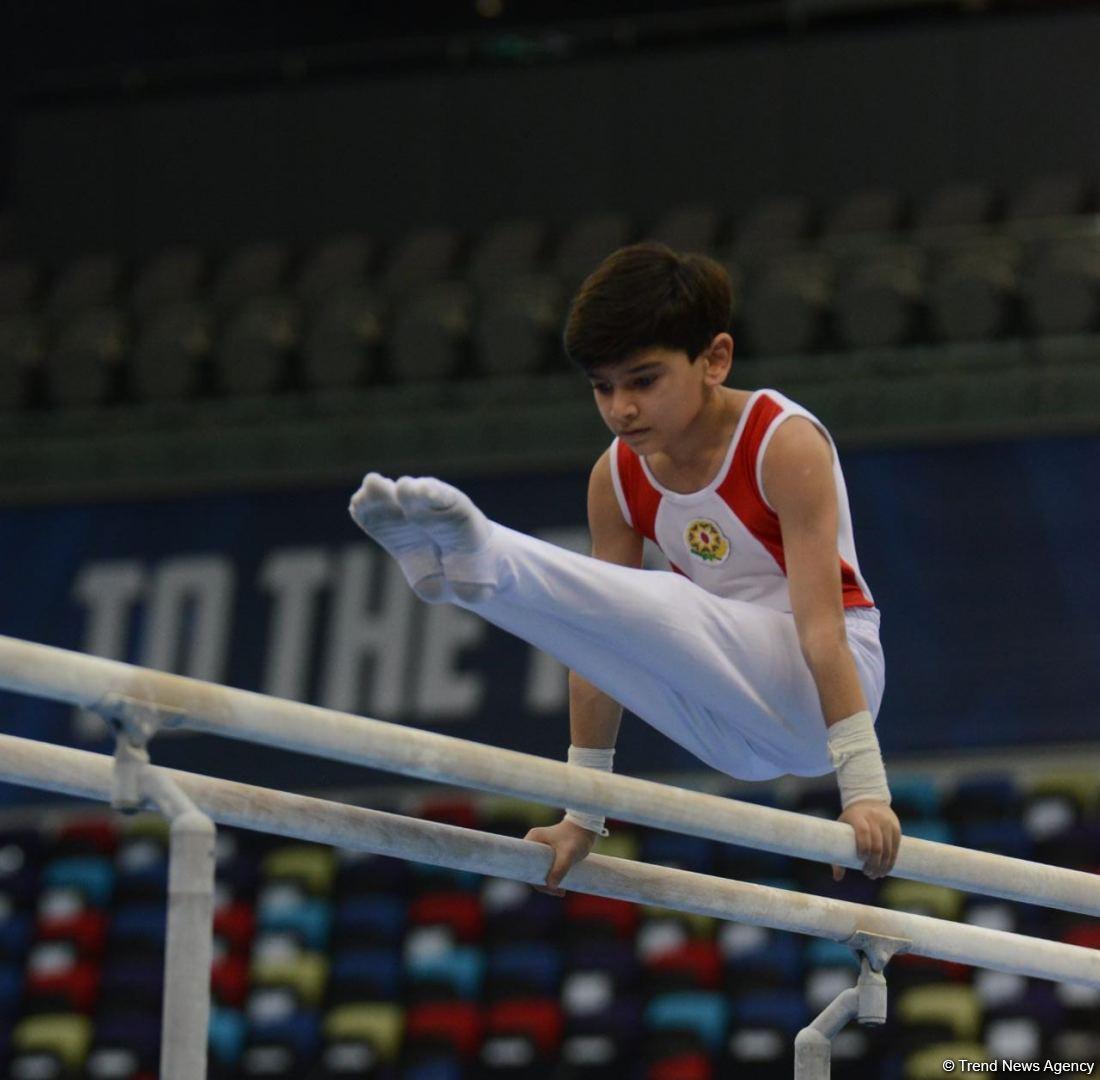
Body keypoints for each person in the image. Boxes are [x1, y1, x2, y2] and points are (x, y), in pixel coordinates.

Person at [349, 242, 900, 895]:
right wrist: (582, 815)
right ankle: (462, 582)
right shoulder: (615, 477)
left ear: (714, 360)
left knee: (661, 597)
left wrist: (864, 789)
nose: (621, 410)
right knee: (602, 632)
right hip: (724, 724)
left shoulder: (782, 443)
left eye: (643, 380)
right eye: (603, 388)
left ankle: (488, 558)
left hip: (830, 687)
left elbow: (820, 631)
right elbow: (598, 648)